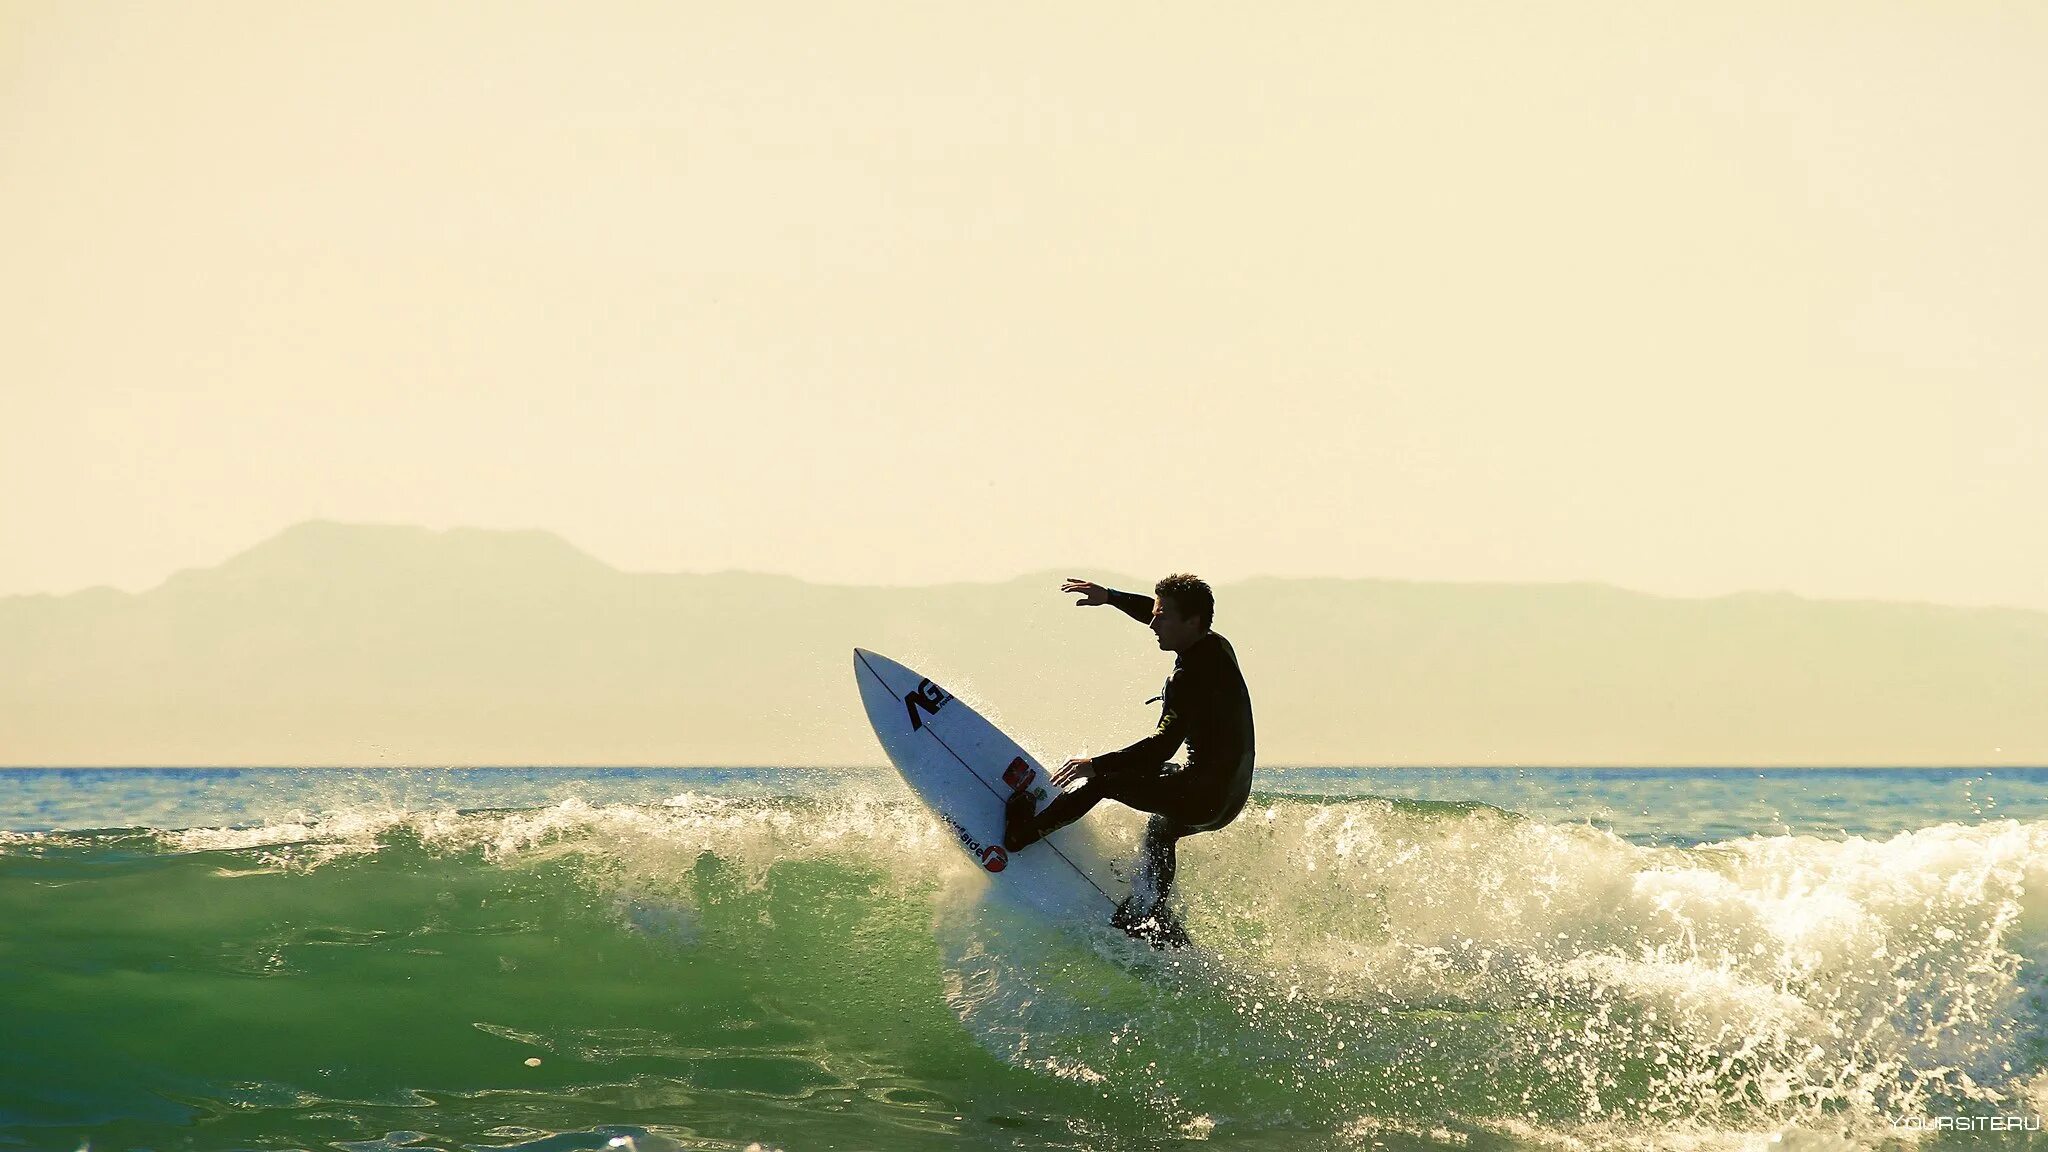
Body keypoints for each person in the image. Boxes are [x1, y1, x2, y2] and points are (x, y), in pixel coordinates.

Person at [1003, 573, 1256, 945]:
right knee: (1160, 828)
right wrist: (1110, 597)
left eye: (1163, 616)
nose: (1153, 622)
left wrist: (1095, 766)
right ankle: (1153, 908)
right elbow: (1155, 613)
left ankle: (1020, 836)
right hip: (1229, 799)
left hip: (1202, 796)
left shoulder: (1189, 678)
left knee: (1106, 782)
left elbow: (1159, 748)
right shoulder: (1217, 646)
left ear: (1193, 622)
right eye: (1155, 612)